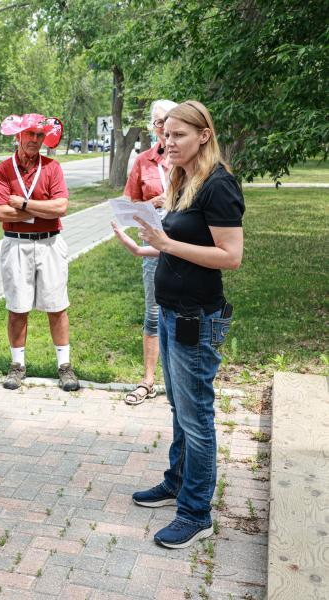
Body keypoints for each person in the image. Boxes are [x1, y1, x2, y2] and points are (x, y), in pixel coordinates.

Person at [111, 100, 244, 549]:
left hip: (196, 317)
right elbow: (178, 242)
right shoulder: (184, 178)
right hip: (171, 313)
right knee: (179, 408)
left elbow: (230, 256)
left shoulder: (218, 185)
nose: (167, 143)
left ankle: (195, 513)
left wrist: (165, 242)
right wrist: (144, 248)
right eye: (165, 134)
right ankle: (177, 483)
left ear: (204, 135)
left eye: (178, 135)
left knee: (196, 415)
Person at [0, 113, 78, 392]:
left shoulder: (52, 167)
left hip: (50, 243)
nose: (35, 140)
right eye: (29, 134)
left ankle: (64, 366)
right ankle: (17, 365)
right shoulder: (4, 169)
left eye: (40, 135)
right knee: (17, 307)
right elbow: (0, 212)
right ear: (19, 135)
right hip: (16, 243)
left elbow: (60, 207)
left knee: (57, 305)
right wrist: (42, 208)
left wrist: (24, 204)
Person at [122, 99, 178, 405]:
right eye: (158, 122)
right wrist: (151, 203)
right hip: (155, 247)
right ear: (153, 127)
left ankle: (180, 379)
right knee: (154, 313)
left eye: (168, 121)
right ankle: (148, 380)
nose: (163, 127)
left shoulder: (189, 158)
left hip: (189, 245)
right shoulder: (144, 161)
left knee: (187, 311)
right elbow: (128, 205)